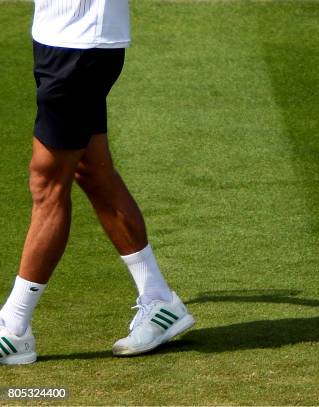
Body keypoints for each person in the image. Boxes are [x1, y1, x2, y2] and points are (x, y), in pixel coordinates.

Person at [0, 0, 195, 365]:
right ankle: (160, 301)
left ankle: (14, 327)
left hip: (82, 42)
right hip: (55, 34)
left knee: (47, 182)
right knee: (91, 170)